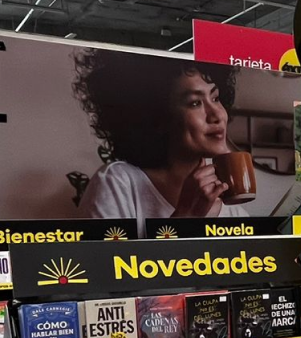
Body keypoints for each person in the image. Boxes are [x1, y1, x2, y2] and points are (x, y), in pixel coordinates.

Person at [73, 51, 248, 233]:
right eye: (195, 103)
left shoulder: (236, 215)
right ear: (158, 116)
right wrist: (186, 217)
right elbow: (103, 261)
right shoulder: (119, 183)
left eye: (215, 98)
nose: (217, 115)